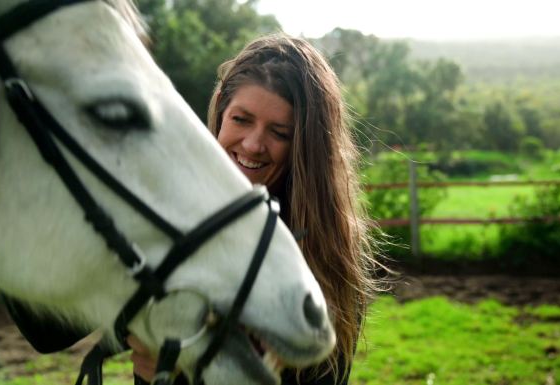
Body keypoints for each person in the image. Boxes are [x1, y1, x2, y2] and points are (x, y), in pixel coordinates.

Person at [129, 33, 382, 385]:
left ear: (305, 147)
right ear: (220, 108)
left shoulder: (322, 253)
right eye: (241, 120)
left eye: (279, 132)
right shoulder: (168, 214)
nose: (253, 144)